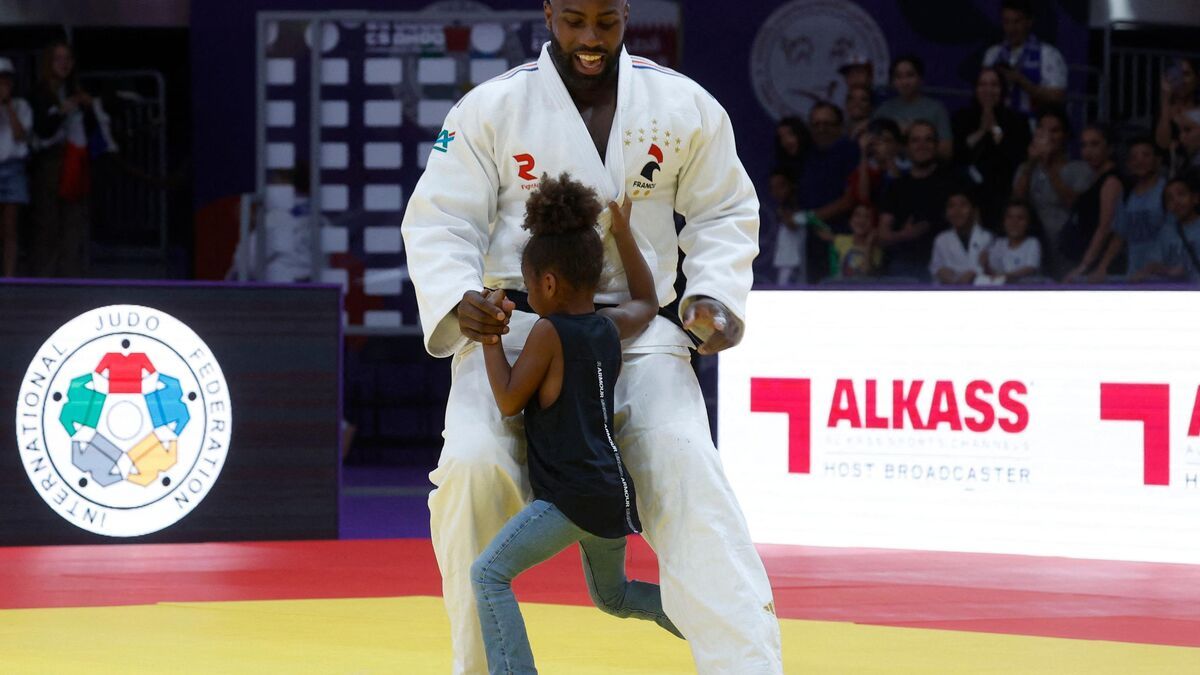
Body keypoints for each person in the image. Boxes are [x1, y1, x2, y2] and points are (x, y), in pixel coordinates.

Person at [399, 2, 784, 673]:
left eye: (605, 22)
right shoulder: (489, 107)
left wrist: (714, 296)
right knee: (470, 464)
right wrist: (462, 299)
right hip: (518, 328)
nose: (589, 39)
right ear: (549, 12)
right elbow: (439, 221)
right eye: (574, 20)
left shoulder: (683, 104)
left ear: (625, 14)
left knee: (684, 460)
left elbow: (726, 209)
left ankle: (746, 665)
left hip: (634, 335)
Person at [471, 177, 681, 674]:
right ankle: (715, 626)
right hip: (611, 494)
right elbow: (648, 302)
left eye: (527, 285)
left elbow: (507, 400)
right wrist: (624, 232)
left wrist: (491, 335)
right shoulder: (608, 328)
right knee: (615, 596)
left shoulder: (548, 332)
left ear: (546, 283)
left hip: (572, 497)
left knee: (488, 575)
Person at [29, 40, 93, 278]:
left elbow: (92, 129)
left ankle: (71, 279)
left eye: (68, 59)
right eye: (58, 59)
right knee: (48, 223)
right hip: (50, 162)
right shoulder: (39, 93)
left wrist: (88, 107)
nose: (64, 64)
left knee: (74, 221)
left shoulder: (77, 91)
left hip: (75, 161)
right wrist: (61, 112)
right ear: (49, 62)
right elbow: (41, 129)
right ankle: (44, 281)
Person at [1011, 108, 1092, 277]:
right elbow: (1017, 201)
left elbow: (1072, 203)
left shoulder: (1079, 169)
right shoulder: (1026, 168)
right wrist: (1032, 163)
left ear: (1065, 135)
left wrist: (1048, 165)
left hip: (1066, 247)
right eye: (1042, 129)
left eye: (1054, 131)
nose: (1047, 136)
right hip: (1032, 247)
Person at [951, 66, 1031, 228]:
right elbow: (958, 154)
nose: (988, 90)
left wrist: (994, 128)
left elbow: (1015, 156)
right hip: (967, 188)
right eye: (983, 84)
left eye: (994, 85)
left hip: (1002, 188)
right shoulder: (961, 117)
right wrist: (981, 131)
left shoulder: (1017, 120)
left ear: (1002, 89)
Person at [877, 120, 957, 279]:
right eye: (915, 140)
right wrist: (904, 235)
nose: (922, 145)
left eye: (928, 139)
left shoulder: (954, 182)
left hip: (947, 264)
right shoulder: (896, 187)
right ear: (906, 147)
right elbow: (882, 235)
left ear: (936, 145)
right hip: (905, 265)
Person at [795, 101, 859, 280]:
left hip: (844, 237)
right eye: (816, 124)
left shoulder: (850, 151)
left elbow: (851, 197)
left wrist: (813, 217)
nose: (821, 129)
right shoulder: (807, 154)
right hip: (812, 240)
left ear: (840, 127)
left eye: (827, 124)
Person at [1093, 137, 1168, 280]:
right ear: (1128, 164)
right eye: (1134, 157)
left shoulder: (1167, 191)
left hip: (1166, 277)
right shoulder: (1127, 195)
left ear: (1158, 161)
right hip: (1134, 276)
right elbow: (1119, 236)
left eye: (1146, 155)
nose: (1140, 161)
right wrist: (1102, 268)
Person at [982, 0, 1067, 121]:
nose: (1011, 28)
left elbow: (1057, 97)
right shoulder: (993, 54)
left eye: (1017, 22)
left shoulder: (1048, 54)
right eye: (1006, 22)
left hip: (1033, 124)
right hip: (999, 124)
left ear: (1029, 22)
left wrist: (1022, 82)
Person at [1061, 124, 1123, 282]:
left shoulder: (1111, 181)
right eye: (1084, 145)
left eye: (1095, 144)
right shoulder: (1093, 179)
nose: (1088, 151)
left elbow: (1105, 227)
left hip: (1100, 269)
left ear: (1110, 148)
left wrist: (1084, 266)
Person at [874, 55, 953, 160]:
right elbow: (872, 146)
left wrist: (913, 137)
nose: (904, 82)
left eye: (910, 75)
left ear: (920, 79)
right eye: (898, 76)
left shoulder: (936, 109)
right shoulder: (883, 110)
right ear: (893, 82)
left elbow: (947, 151)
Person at [1129, 175, 1200, 283]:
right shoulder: (1167, 232)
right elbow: (1152, 264)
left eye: (1181, 194)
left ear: (1195, 198)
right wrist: (1168, 271)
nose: (1176, 201)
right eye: (1169, 199)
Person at [0, 57, 32, 277]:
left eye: (6, 80)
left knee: (10, 229)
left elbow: (21, 136)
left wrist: (7, 105)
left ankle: (9, 279)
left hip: (13, 169)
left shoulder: (21, 106)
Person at [930, 187, 995, 284]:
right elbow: (935, 268)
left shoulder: (987, 238)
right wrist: (941, 272)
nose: (957, 211)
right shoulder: (941, 239)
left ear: (974, 210)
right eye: (951, 206)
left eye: (963, 205)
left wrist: (974, 274)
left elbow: (993, 271)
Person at [849, 117, 903, 210]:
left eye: (886, 140)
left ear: (898, 145)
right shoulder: (865, 167)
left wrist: (888, 157)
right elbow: (863, 198)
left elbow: (900, 193)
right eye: (876, 141)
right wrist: (863, 153)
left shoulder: (906, 167)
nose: (880, 145)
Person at [983, 199, 1042, 282]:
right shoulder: (999, 243)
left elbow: (1031, 268)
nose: (1014, 222)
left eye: (1020, 218)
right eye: (1010, 217)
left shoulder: (1032, 243)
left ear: (1029, 223)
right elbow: (994, 271)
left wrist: (1007, 276)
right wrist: (985, 264)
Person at [816, 202, 881, 279]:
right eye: (857, 215)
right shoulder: (842, 240)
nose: (862, 220)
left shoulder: (876, 248)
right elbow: (822, 233)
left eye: (867, 217)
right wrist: (811, 219)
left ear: (874, 224)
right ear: (850, 221)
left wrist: (869, 244)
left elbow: (866, 272)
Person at [765, 169, 806, 286]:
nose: (776, 191)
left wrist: (784, 214)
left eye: (781, 186)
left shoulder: (800, 212)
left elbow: (792, 224)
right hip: (781, 264)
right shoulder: (775, 211)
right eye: (773, 188)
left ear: (791, 186)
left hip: (794, 264)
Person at [1155, 58, 1199, 154]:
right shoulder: (1165, 109)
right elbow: (1162, 144)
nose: (1181, 80)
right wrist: (1165, 99)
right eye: (1176, 75)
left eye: (1186, 74)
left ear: (1196, 78)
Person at [773, 115, 809, 184]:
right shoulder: (783, 170)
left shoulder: (819, 160)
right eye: (782, 137)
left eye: (790, 134)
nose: (787, 141)